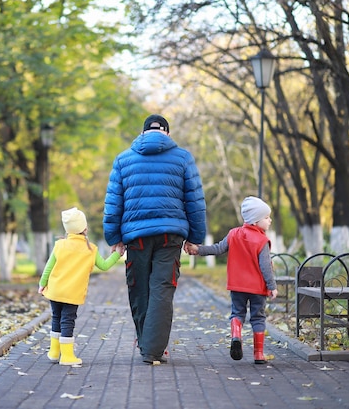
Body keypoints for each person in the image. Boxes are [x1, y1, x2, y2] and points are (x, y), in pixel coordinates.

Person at [103, 114, 207, 364]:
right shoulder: (183, 158)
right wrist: (195, 237)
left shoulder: (123, 159)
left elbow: (113, 202)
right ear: (167, 134)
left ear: (142, 133)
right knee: (162, 289)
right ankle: (153, 349)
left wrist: (113, 237)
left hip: (136, 237)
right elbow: (195, 200)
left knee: (139, 289)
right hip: (170, 235)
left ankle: (147, 342)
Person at [190, 196, 278, 364]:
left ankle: (236, 335)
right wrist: (272, 286)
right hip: (257, 288)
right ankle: (259, 354)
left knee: (237, 313)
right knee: (258, 318)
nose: (270, 220)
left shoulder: (233, 234)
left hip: (237, 286)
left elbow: (217, 249)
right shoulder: (262, 240)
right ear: (255, 220)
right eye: (266, 218)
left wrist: (198, 249)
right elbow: (266, 266)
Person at [38, 207, 123, 366]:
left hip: (55, 290)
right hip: (72, 294)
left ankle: (54, 352)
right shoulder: (91, 249)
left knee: (56, 317)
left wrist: (42, 285)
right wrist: (117, 253)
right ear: (84, 228)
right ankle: (67, 356)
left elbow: (48, 268)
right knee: (68, 321)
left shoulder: (60, 245)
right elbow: (104, 266)